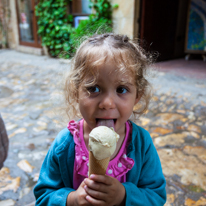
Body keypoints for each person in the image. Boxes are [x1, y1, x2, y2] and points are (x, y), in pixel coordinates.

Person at [34, 33, 166, 206]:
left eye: (121, 89)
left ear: (137, 97)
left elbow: (156, 195)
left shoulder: (142, 144)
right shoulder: (64, 145)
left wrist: (124, 196)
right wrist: (71, 200)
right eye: (94, 88)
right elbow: (44, 195)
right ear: (76, 92)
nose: (107, 103)